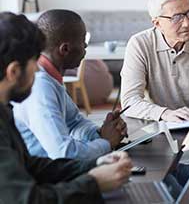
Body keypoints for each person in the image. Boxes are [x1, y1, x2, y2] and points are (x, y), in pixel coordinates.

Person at [0, 12, 132, 203]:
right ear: (13, 71)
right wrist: (94, 182)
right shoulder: (39, 88)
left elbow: (30, 165)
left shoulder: (4, 110)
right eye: (33, 63)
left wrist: (93, 164)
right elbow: (28, 200)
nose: (38, 70)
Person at [13, 10, 127, 160]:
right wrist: (106, 142)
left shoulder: (51, 77)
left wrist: (100, 133)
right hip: (43, 175)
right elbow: (63, 153)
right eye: (82, 40)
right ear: (65, 49)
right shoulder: (41, 87)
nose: (85, 45)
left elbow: (74, 123)